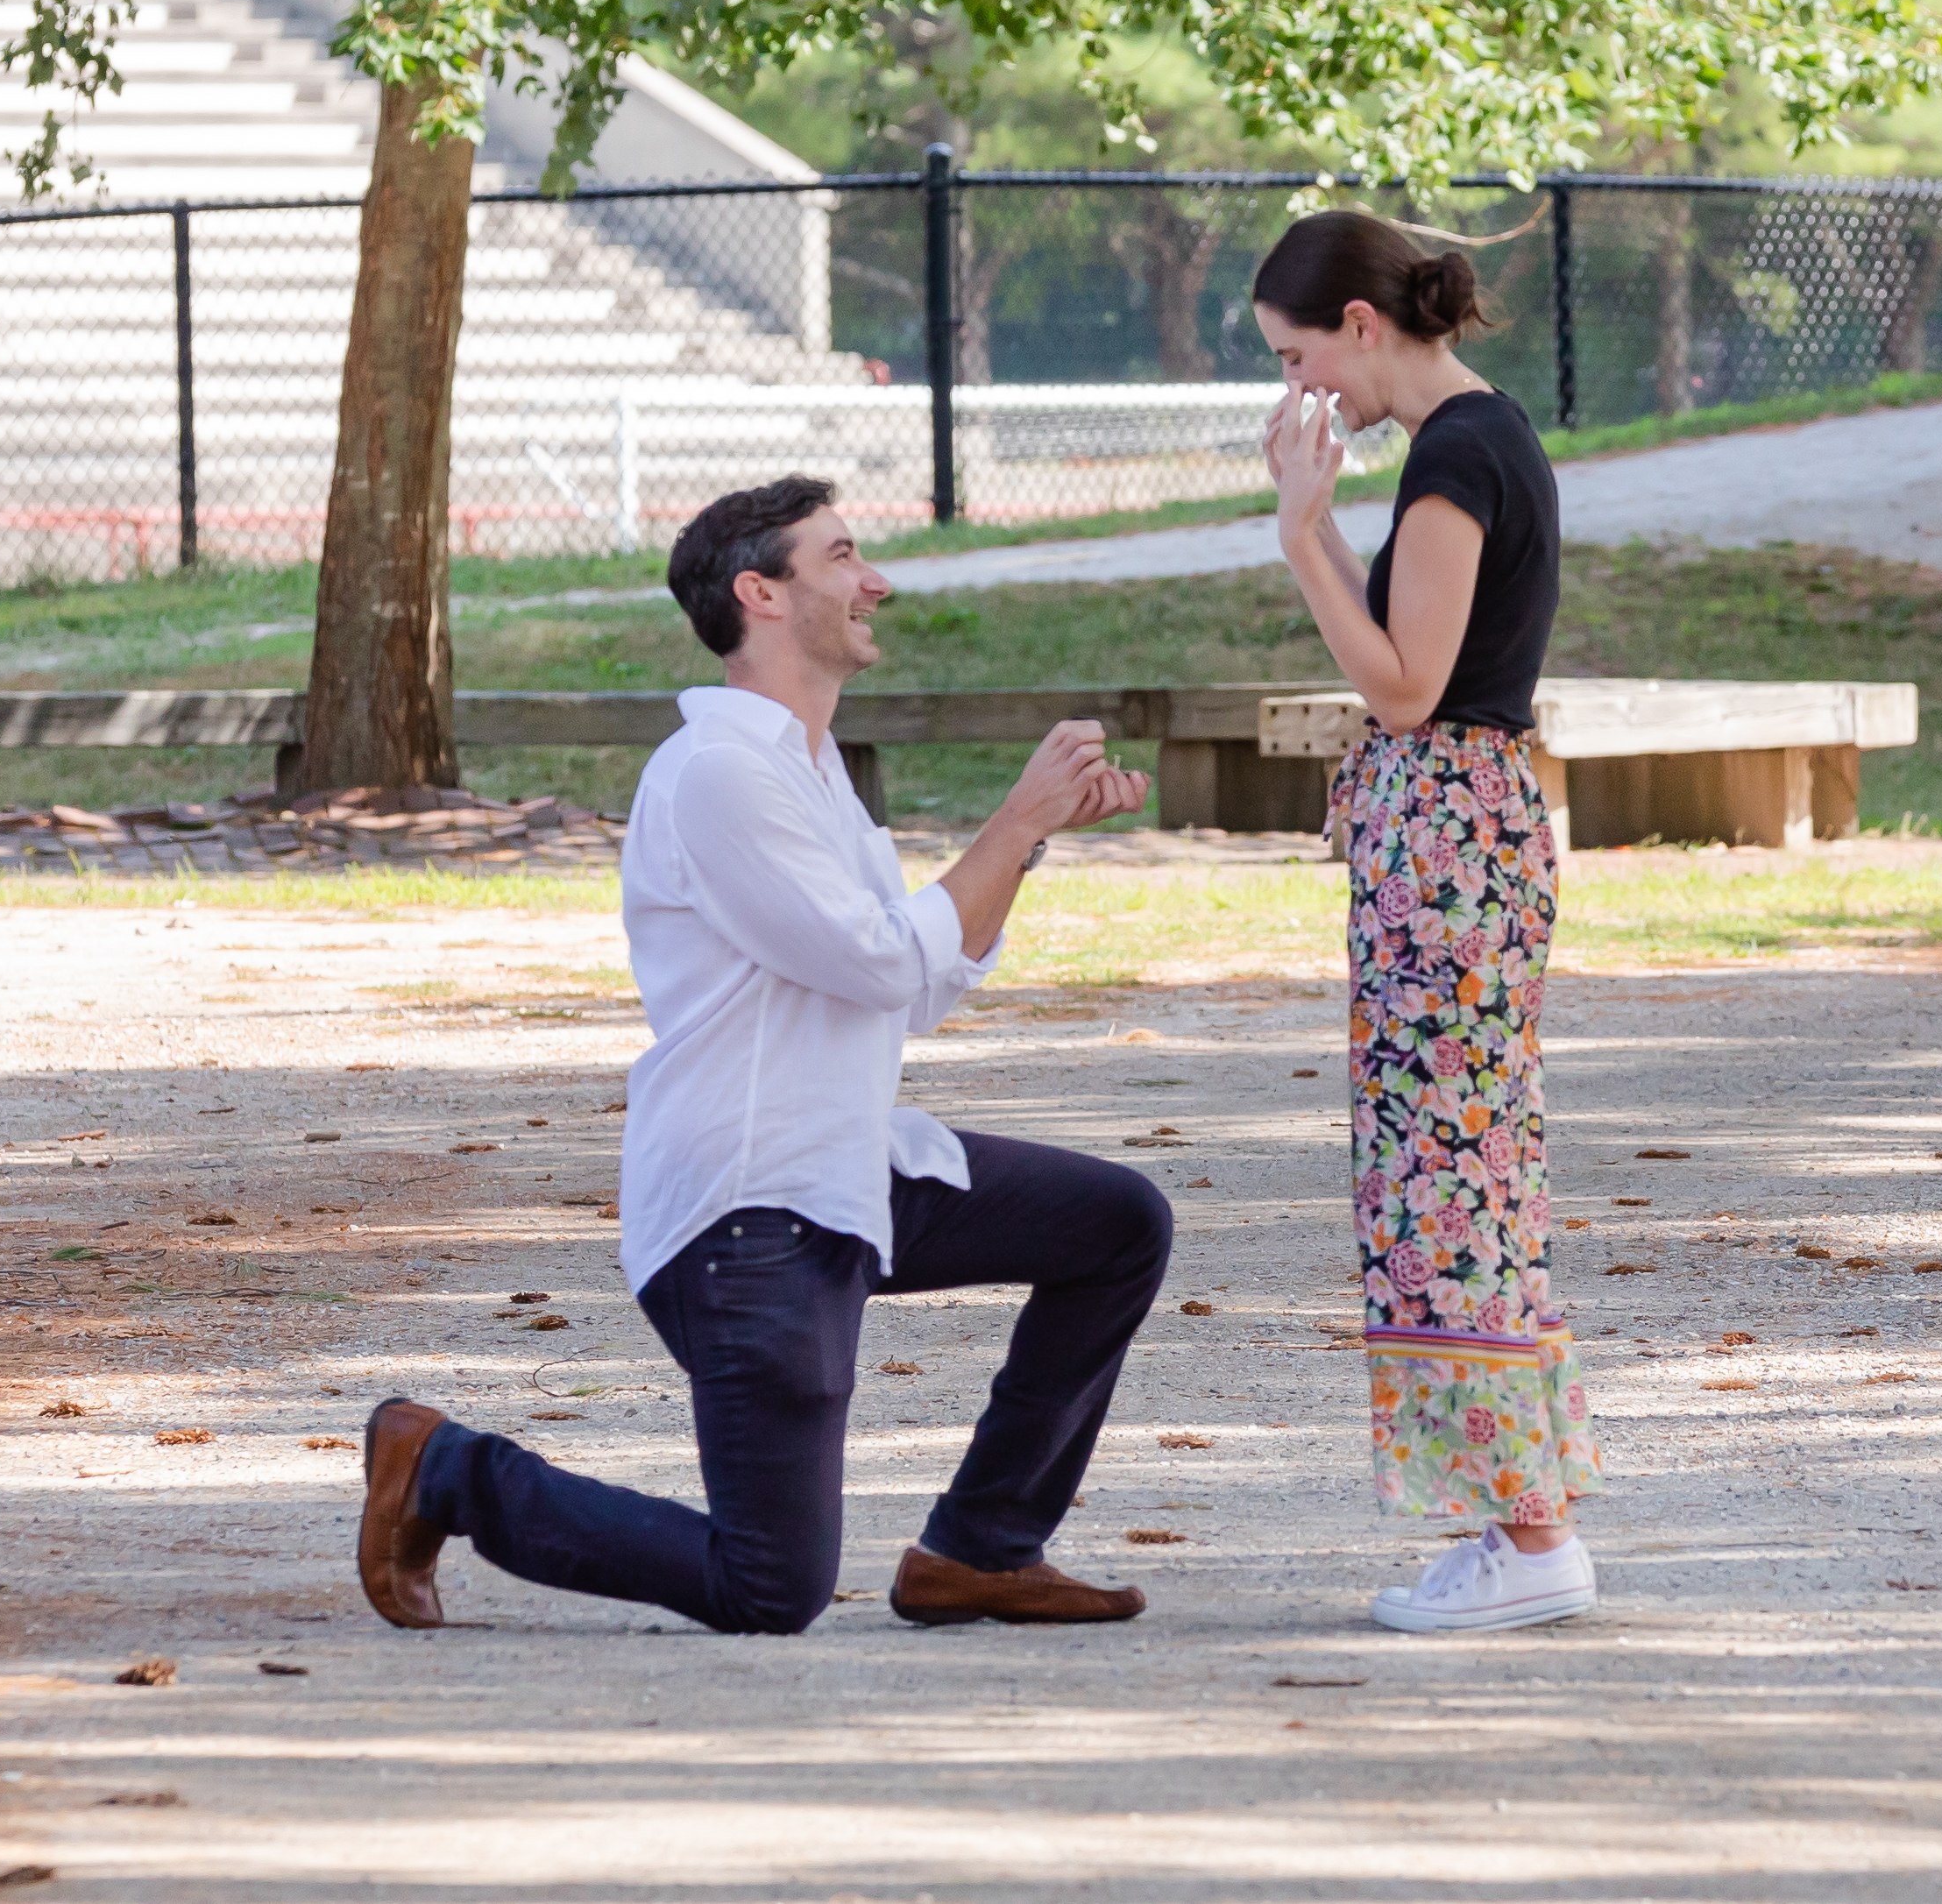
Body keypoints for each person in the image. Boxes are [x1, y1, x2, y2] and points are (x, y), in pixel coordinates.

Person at [354, 476, 1171, 1635]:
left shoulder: (808, 771)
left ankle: (980, 1548)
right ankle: (442, 1469)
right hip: (749, 1216)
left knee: (1116, 1224)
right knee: (769, 1585)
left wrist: (1022, 852)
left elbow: (915, 986)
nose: (874, 579)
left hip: (842, 1172)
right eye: (841, 556)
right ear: (762, 594)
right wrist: (1013, 825)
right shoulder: (721, 775)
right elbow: (885, 963)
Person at [1252, 208, 1599, 1634]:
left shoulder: (1460, 452)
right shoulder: (1472, 441)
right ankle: (1519, 1523)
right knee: (1449, 1177)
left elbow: (1409, 683)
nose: (1300, 394)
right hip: (1451, 836)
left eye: (1298, 358)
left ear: (1361, 323)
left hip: (1450, 840)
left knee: (1449, 1185)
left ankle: (1528, 1539)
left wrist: (1303, 533)